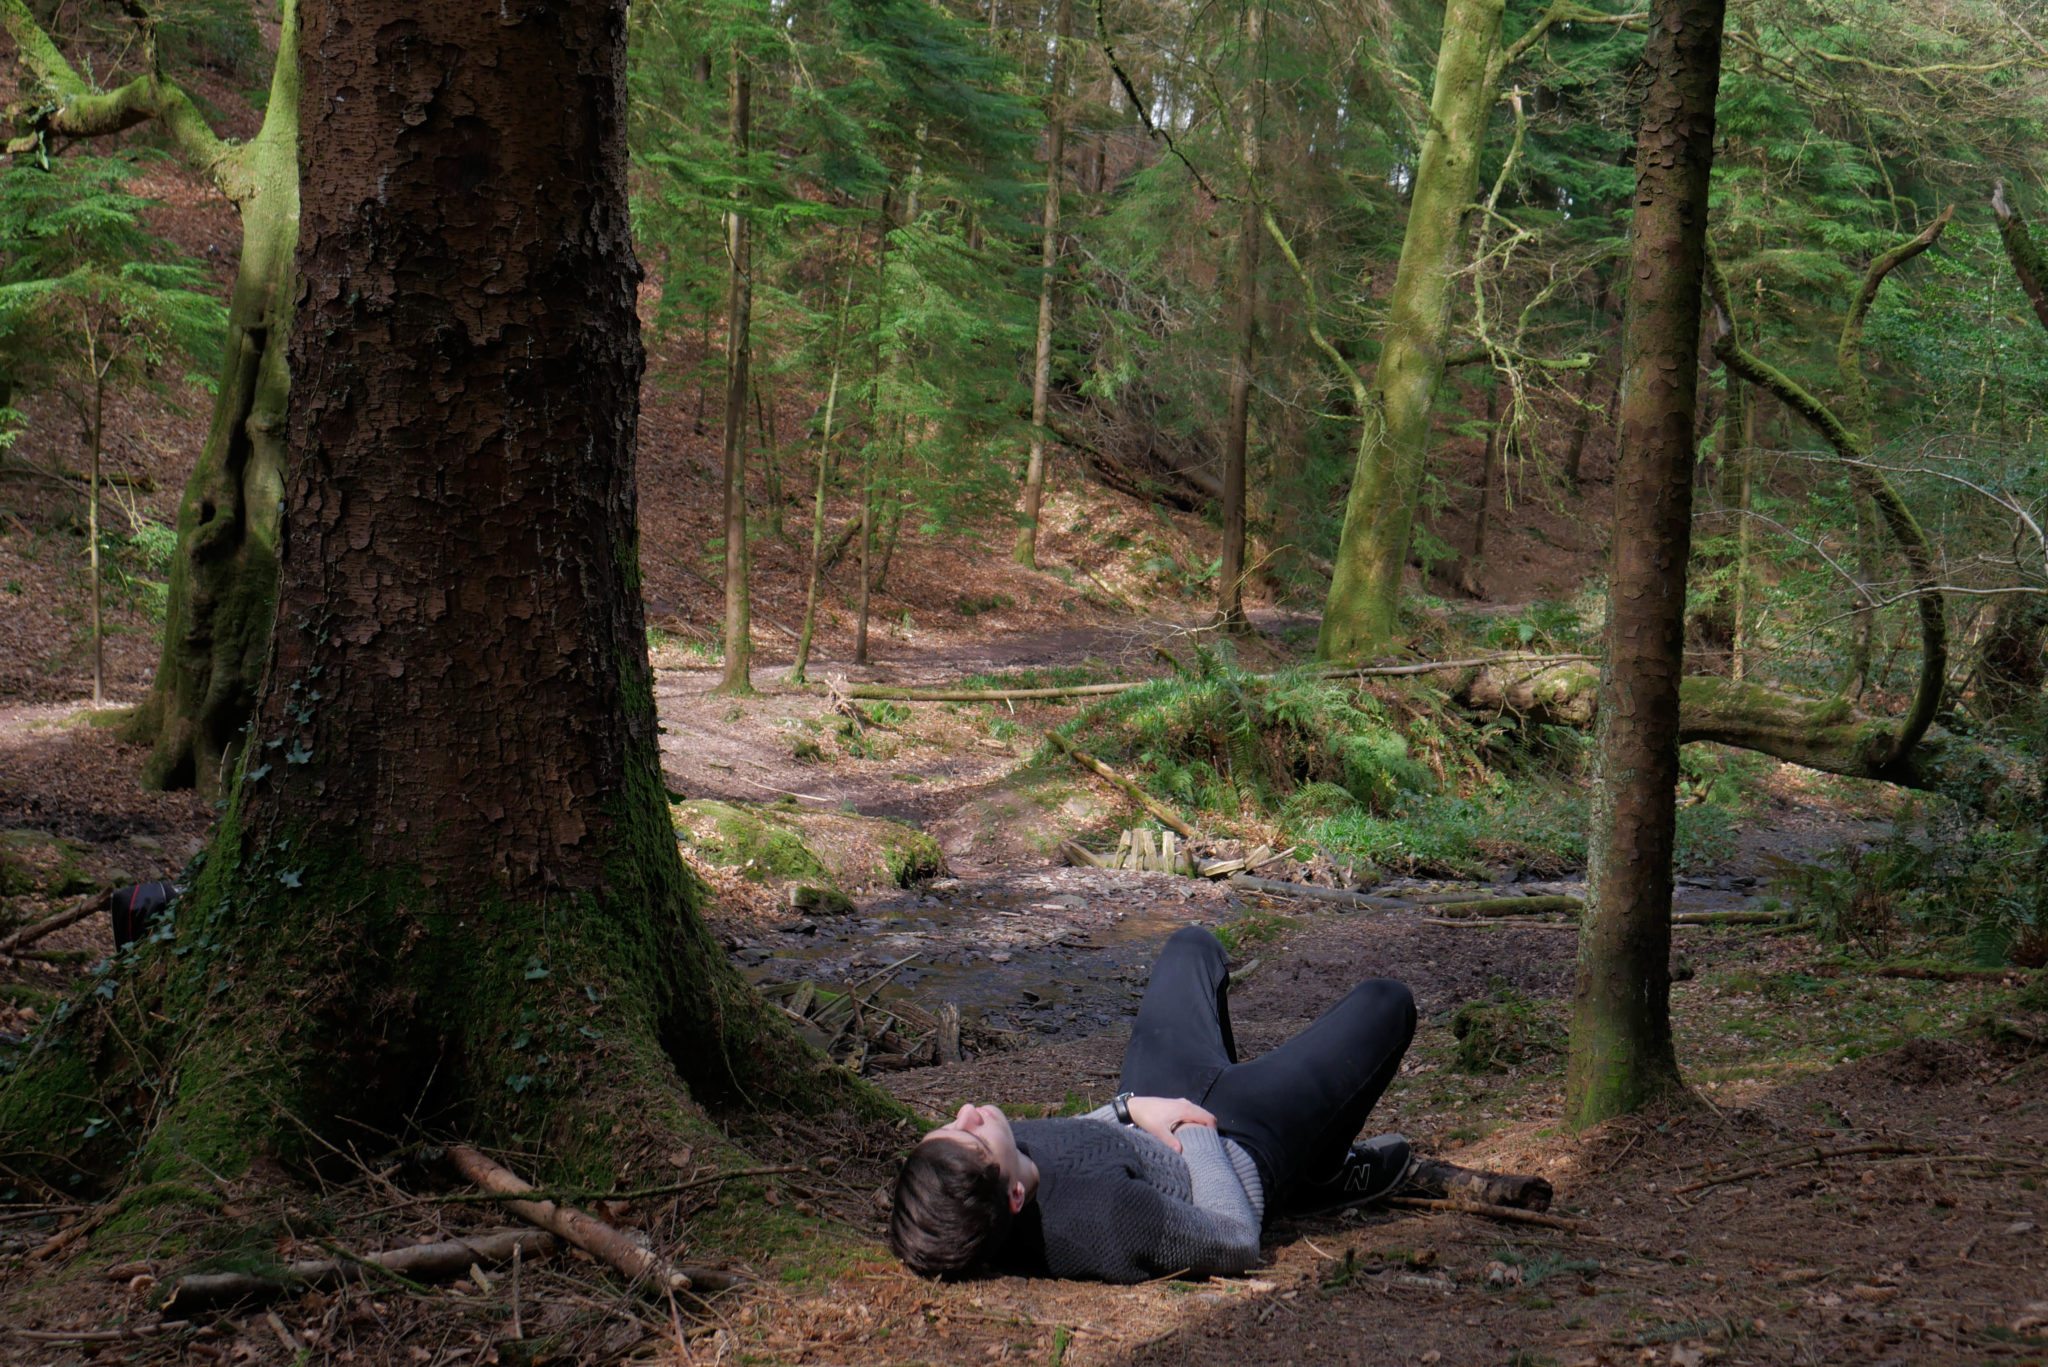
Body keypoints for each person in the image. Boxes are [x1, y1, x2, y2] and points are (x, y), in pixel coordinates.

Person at [888, 925, 1417, 1282]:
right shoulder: (1107, 1219)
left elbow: (1076, 1143)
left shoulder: (1000, 1164)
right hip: (1238, 1145)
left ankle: (1284, 1134)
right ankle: (1319, 1174)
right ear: (1016, 1197)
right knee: (1386, 1002)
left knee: (1192, 946)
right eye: (973, 1134)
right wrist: (1193, 1129)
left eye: (951, 1124)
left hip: (1159, 1102)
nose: (968, 1112)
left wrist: (1129, 1108)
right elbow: (1235, 1240)